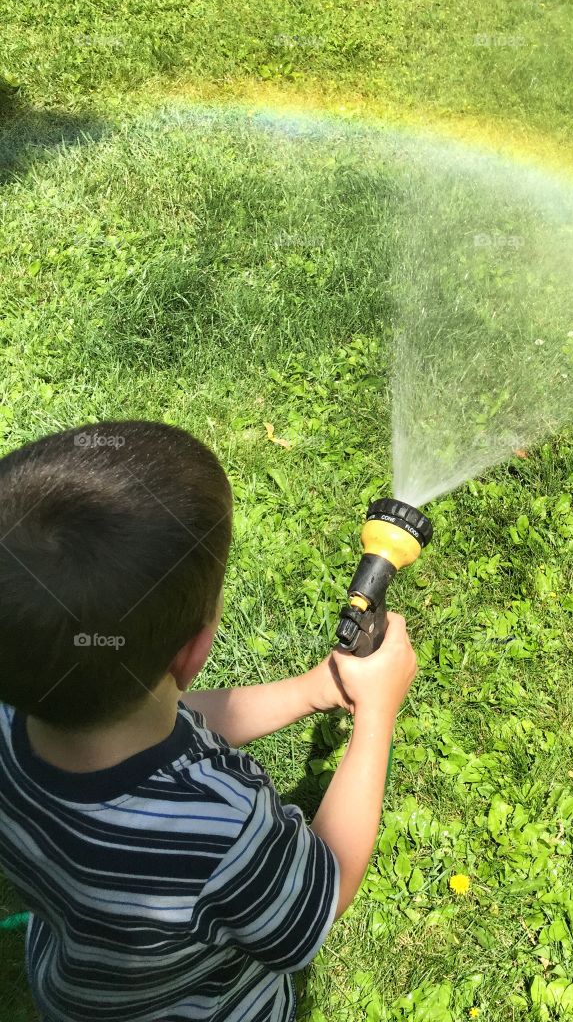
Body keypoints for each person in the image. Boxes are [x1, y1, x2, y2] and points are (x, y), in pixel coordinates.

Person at [0, 420, 417, 1021]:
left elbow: (157, 712)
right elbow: (329, 887)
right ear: (194, 650)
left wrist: (313, 690)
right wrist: (376, 715)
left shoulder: (15, 719)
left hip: (76, 993)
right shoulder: (221, 827)